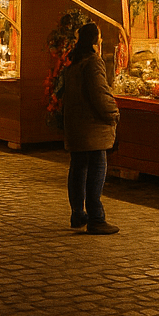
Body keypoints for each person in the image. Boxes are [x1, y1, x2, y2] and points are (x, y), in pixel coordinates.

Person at [60, 22, 120, 234]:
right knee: (97, 169)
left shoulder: (74, 63)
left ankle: (77, 213)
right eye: (100, 38)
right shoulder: (93, 63)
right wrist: (113, 113)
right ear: (95, 41)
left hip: (77, 128)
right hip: (93, 128)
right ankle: (96, 217)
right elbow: (100, 94)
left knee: (78, 170)